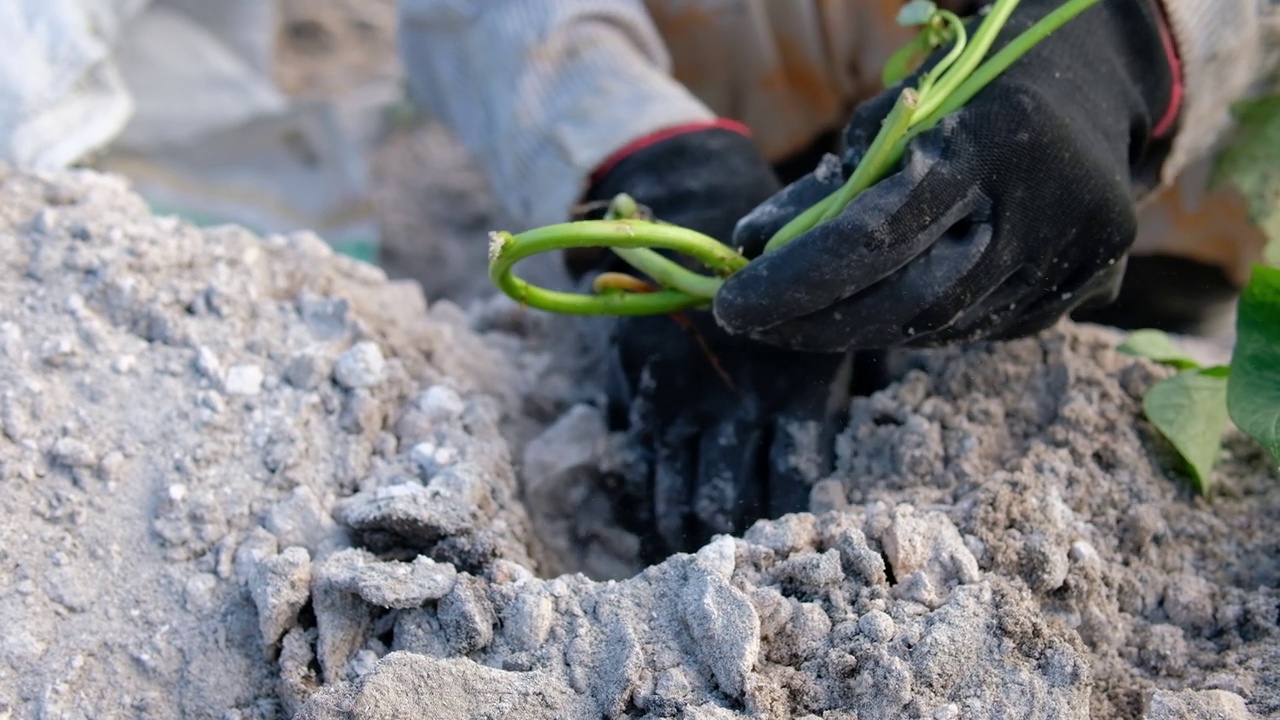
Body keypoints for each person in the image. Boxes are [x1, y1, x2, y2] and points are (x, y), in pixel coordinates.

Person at [399, 0, 1277, 559]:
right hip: (733, 72)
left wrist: (1135, 38)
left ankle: (1132, 251)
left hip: (1149, 161)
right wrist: (639, 149)